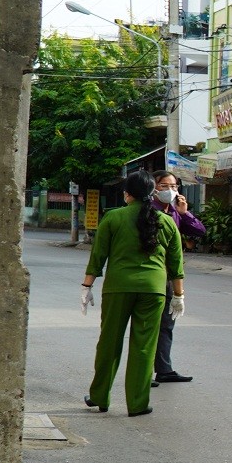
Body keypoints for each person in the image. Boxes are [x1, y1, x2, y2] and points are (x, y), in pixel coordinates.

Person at [81, 170, 184, 417]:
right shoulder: (167, 221)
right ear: (153, 193)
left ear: (127, 194)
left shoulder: (113, 218)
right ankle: (137, 404)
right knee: (144, 347)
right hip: (154, 291)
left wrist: (87, 286)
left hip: (118, 288)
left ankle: (99, 397)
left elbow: (98, 256)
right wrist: (179, 296)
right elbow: (176, 264)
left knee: (109, 342)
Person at [151, 170, 205, 386]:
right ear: (154, 188)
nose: (171, 190)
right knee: (148, 325)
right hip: (153, 274)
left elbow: (199, 231)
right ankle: (143, 372)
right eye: (165, 186)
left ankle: (164, 369)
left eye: (174, 186)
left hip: (171, 276)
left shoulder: (174, 212)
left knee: (167, 323)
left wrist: (184, 213)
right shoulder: (148, 212)